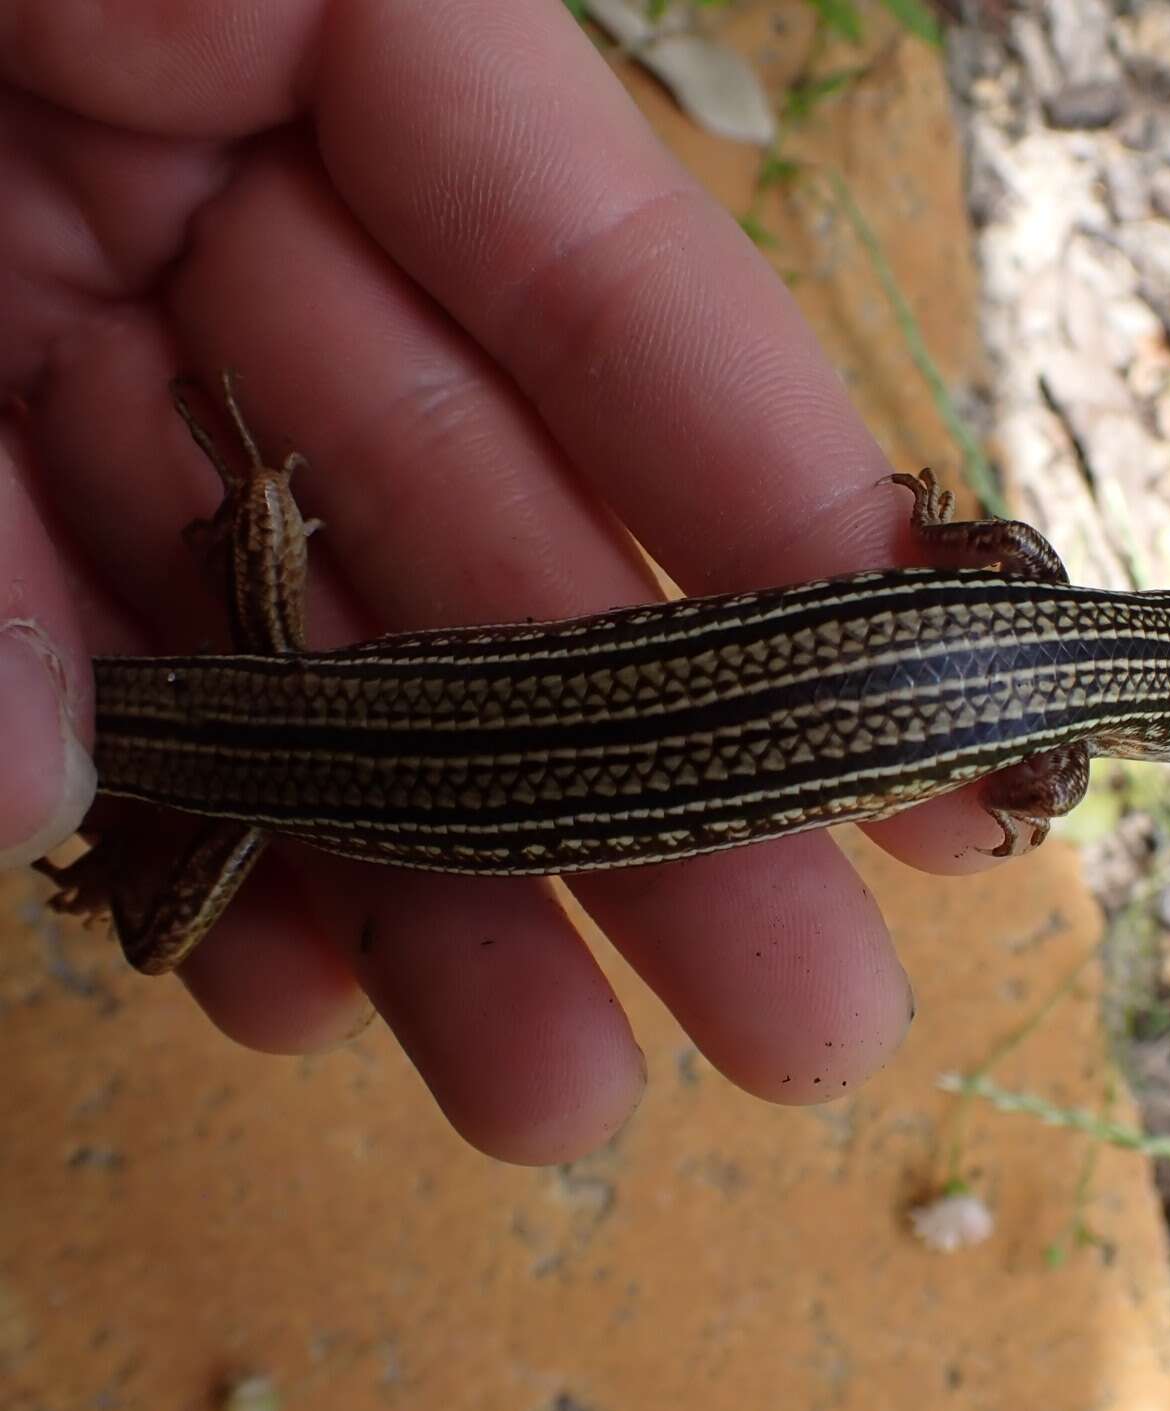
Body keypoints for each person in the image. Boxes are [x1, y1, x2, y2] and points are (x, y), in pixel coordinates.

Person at [0, 0, 1006, 1164]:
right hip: (265, 750)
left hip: (269, 696)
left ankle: (248, 519)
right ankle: (190, 650)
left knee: (232, 678)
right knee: (161, 935)